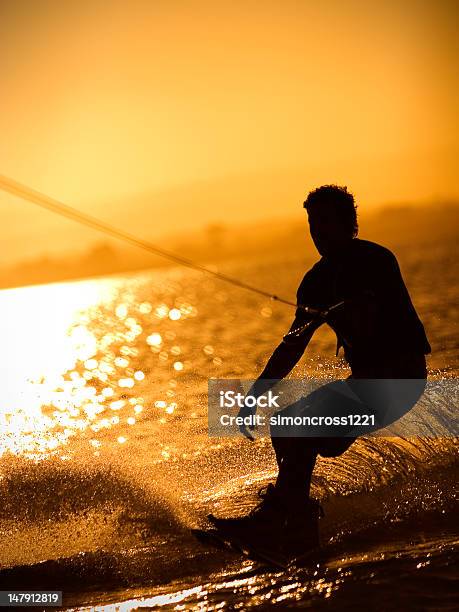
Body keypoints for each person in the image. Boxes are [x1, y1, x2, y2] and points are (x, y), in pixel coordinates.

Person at [210, 185, 431, 555]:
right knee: (284, 424)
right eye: (313, 224)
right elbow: (291, 345)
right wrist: (253, 397)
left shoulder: (377, 259)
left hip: (400, 377)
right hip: (364, 382)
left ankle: (279, 520)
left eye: (326, 223)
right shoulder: (314, 282)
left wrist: (346, 306)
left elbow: (372, 311)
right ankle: (298, 527)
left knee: (307, 430)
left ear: (350, 224)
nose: (318, 232)